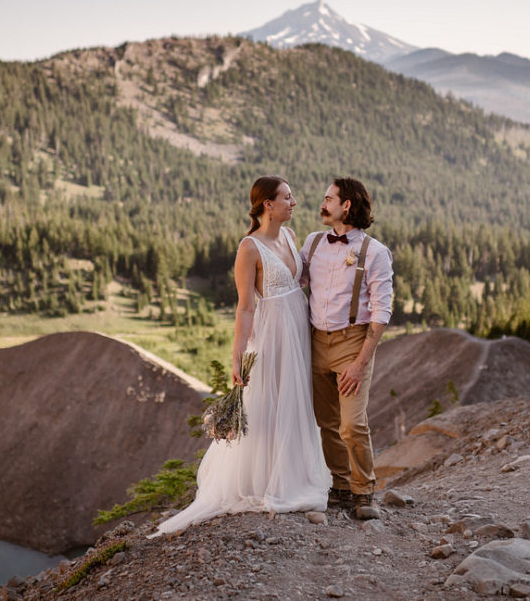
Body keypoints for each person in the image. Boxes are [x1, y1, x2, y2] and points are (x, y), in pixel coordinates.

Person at [151, 176, 329, 537]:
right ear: (267, 204)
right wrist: (238, 356)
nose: (294, 202)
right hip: (271, 334)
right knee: (267, 401)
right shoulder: (249, 248)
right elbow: (246, 307)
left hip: (297, 329)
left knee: (295, 401)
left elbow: (301, 283)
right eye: (287, 197)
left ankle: (294, 474)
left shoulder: (291, 237)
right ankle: (265, 482)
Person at [302, 177, 393, 520]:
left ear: (347, 206)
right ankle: (340, 487)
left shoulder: (375, 252)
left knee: (351, 424)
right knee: (327, 422)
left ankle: (363, 489)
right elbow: (293, 283)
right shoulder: (312, 243)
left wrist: (360, 362)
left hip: (353, 343)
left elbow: (382, 312)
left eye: (328, 198)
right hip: (315, 342)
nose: (322, 204)